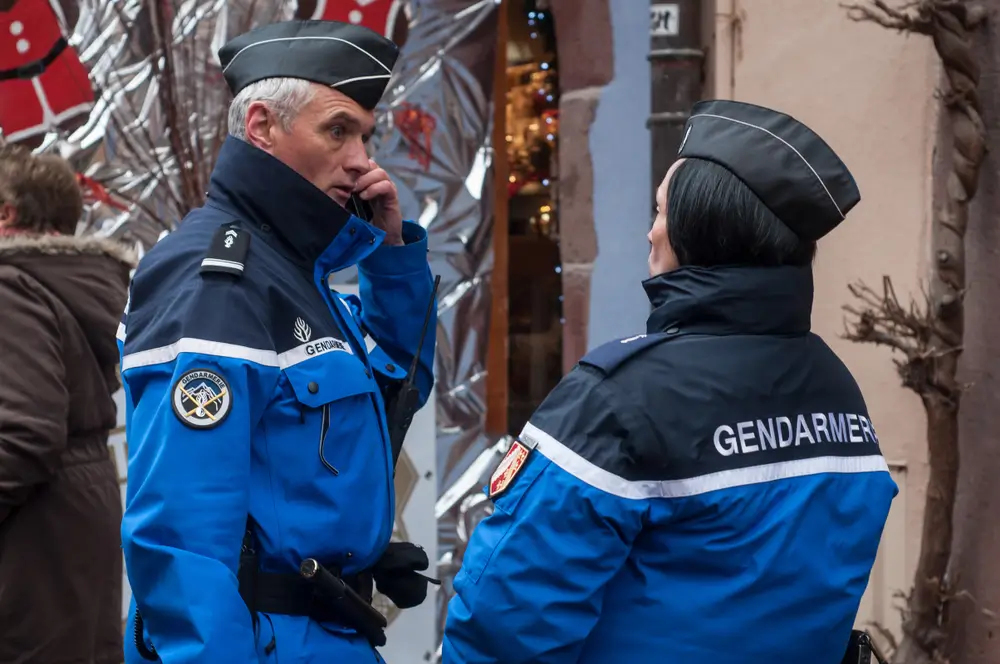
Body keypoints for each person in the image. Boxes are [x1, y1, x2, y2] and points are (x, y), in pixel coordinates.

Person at [443, 100, 898, 663]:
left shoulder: (619, 396)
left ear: (699, 230)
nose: (651, 233)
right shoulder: (837, 386)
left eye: (661, 212)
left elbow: (507, 620)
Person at [117, 20, 437, 664]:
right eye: (338, 130)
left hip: (322, 633)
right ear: (261, 126)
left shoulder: (294, 273)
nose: (361, 160)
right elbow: (180, 542)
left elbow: (397, 391)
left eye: (365, 136)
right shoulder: (221, 280)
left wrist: (391, 258)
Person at [0, 143, 131, 664]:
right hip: (71, 517)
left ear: (6, 214)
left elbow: (24, 433)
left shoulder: (8, 286)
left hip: (33, 536)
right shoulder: (70, 284)